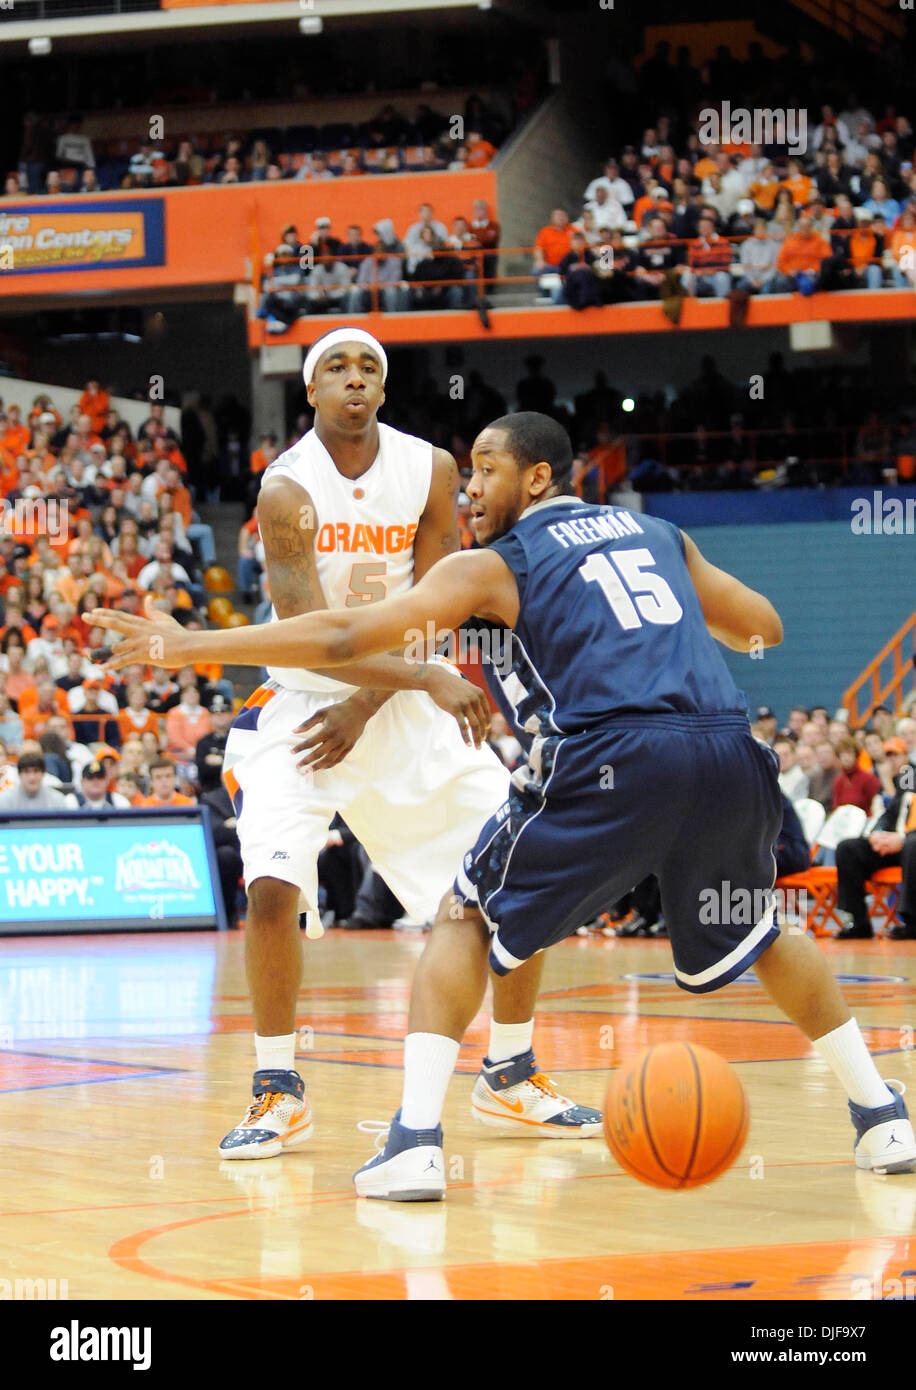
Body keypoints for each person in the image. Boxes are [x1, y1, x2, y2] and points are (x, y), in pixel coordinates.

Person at [93, 410, 916, 1196]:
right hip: (727, 754)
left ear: (539, 475)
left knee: (464, 916)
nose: (470, 490)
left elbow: (344, 639)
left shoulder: (496, 563)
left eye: (486, 469)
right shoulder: (662, 534)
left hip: (613, 759)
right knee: (763, 933)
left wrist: (192, 642)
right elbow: (762, 625)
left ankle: (415, 1145)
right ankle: (882, 1116)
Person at [92, 331, 600, 1160]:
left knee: (517, 875)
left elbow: (438, 606)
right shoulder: (287, 487)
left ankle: (510, 1072)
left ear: (383, 389)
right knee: (269, 888)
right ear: (313, 391)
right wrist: (398, 684)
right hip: (304, 700)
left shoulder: (432, 468)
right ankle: (277, 1089)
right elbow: (304, 636)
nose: (354, 378)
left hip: (401, 703)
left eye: (369, 367)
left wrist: (379, 697)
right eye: (336, 367)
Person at [835, 740, 916, 940]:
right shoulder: (900, 779)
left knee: (913, 844)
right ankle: (858, 922)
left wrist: (902, 838)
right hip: (894, 843)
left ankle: (913, 922)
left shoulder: (909, 774)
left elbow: (910, 807)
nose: (892, 761)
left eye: (895, 755)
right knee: (848, 848)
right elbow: (892, 812)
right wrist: (876, 834)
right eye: (887, 757)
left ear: (907, 756)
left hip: (910, 841)